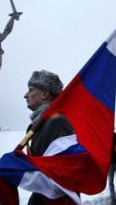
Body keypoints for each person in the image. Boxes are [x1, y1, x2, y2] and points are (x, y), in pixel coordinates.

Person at [23, 70, 75, 205]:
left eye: (31, 90)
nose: (25, 95)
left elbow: (62, 171)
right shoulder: (38, 125)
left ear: (45, 94)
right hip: (40, 197)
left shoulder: (57, 122)